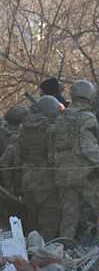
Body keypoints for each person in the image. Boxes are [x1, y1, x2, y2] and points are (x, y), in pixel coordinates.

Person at [52, 81, 99, 239]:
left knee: (69, 216)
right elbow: (89, 147)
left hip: (63, 176)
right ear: (90, 97)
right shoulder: (87, 118)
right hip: (85, 176)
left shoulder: (61, 118)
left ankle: (64, 247)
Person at [18, 96, 61, 240]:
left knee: (32, 219)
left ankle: (29, 248)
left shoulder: (25, 128)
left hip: (27, 177)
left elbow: (19, 154)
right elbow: (54, 156)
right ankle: (45, 249)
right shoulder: (51, 129)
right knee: (49, 220)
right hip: (46, 180)